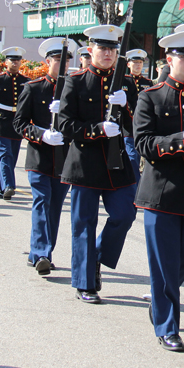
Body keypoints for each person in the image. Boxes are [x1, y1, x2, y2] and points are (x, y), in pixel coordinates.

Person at [134, 28, 184, 353]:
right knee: (164, 264)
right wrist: (181, 139)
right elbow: (144, 143)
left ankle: (160, 295)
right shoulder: (150, 96)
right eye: (183, 56)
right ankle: (168, 326)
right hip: (162, 194)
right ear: (169, 58)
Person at [58, 24, 138, 304]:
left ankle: (96, 257)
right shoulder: (76, 81)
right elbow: (65, 123)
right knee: (83, 223)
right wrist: (97, 129)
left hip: (116, 163)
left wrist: (127, 105)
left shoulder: (126, 83)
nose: (107, 54)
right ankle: (85, 282)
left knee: (125, 215)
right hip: (85, 162)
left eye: (112, 49)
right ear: (90, 50)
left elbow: (137, 126)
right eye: (102, 49)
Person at [14, 38, 77, 274]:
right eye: (58, 60)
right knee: (42, 202)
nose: (63, 64)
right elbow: (19, 123)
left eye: (66, 60)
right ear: (47, 61)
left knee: (54, 208)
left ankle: (39, 252)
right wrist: (41, 134)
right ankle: (42, 253)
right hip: (39, 157)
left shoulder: (74, 89)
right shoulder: (34, 88)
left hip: (64, 159)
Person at [0, 47, 29, 200]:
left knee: (12, 156)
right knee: (5, 153)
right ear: (5, 62)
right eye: (12, 60)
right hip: (0, 120)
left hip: (16, 121)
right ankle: (8, 185)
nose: (15, 63)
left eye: (17, 60)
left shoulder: (25, 81)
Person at [124, 48, 151, 181]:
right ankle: (135, 186)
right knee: (132, 159)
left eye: (140, 62)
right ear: (128, 64)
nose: (138, 65)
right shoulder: (123, 81)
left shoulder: (148, 83)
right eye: (135, 62)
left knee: (140, 158)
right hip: (128, 128)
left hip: (142, 125)